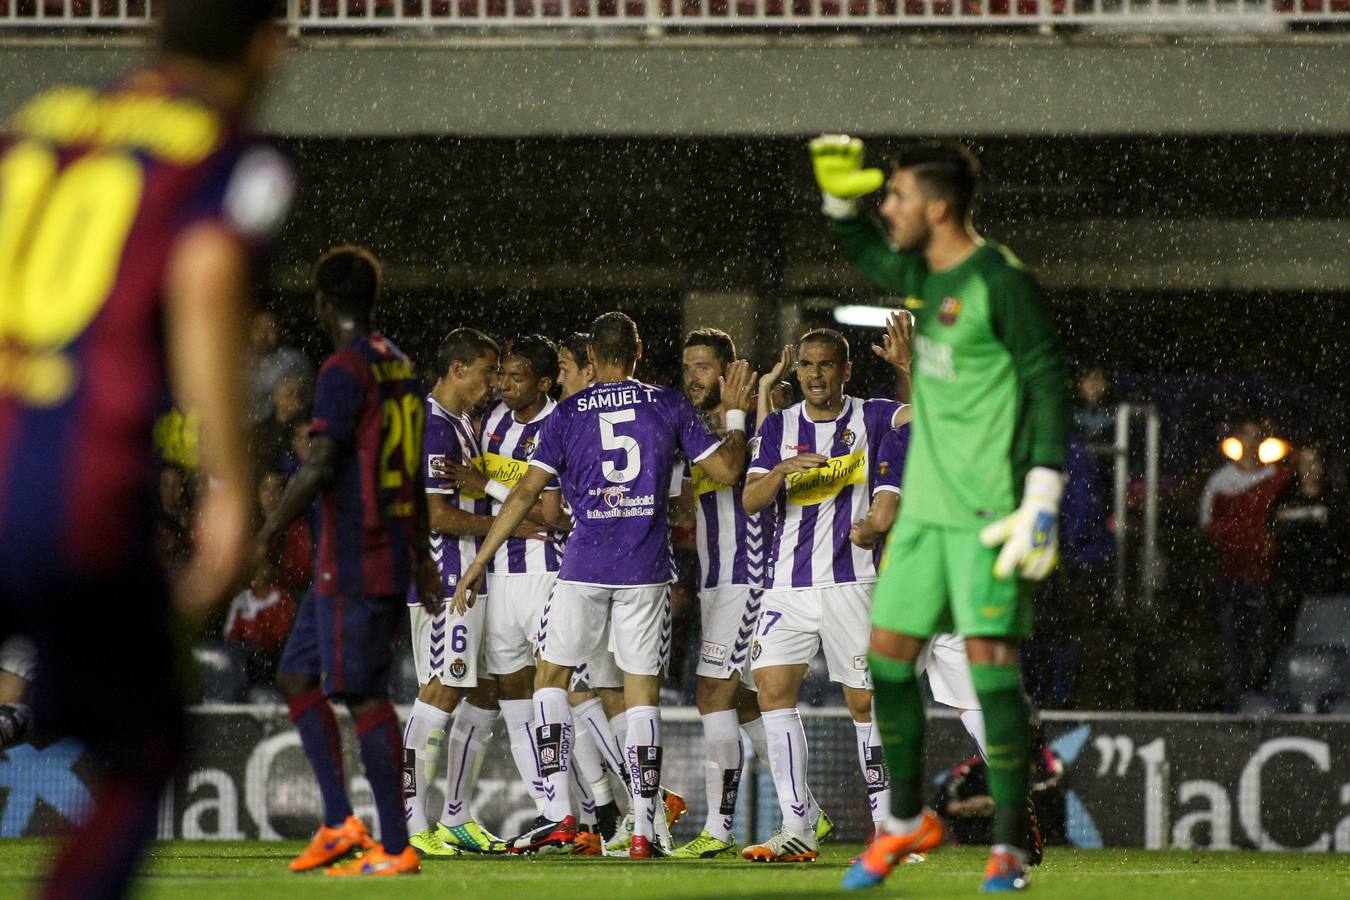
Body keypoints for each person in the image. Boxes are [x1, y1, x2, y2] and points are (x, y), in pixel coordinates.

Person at [0, 2, 289, 894]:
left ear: (145, 35)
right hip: (67, 484)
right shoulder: (228, 152)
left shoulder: (39, 126)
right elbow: (204, 273)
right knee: (145, 736)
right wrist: (231, 492)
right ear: (268, 47)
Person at [808, 136, 1070, 893]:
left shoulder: (1001, 281)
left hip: (987, 513)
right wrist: (836, 200)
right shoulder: (924, 273)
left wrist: (1044, 496)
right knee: (885, 662)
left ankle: (1010, 849)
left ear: (940, 206)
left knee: (991, 673)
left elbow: (1048, 384)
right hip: (920, 515)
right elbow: (864, 248)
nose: (885, 206)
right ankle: (906, 821)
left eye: (897, 195)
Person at [452, 312, 754, 858]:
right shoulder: (666, 404)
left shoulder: (566, 414)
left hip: (583, 565)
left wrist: (479, 562)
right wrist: (735, 418)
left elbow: (524, 495)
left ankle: (560, 812)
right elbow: (730, 471)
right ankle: (643, 828)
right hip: (646, 569)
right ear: (638, 351)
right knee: (640, 695)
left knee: (550, 679)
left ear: (591, 357)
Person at [261, 246, 438, 877]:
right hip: (368, 551)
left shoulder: (343, 369)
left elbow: (319, 463)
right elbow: (411, 472)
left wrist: (267, 531)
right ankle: (339, 822)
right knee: (296, 674)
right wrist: (422, 559)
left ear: (324, 301)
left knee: (362, 694)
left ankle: (396, 846)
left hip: (359, 552)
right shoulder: (400, 366)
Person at [739, 324, 912, 863]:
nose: (815, 374)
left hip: (851, 581)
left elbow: (931, 420)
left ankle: (889, 828)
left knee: (865, 702)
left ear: (845, 371)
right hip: (786, 585)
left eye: (826, 365)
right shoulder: (779, 428)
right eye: (807, 365)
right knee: (771, 692)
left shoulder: (875, 414)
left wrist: (908, 367)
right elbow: (749, 499)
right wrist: (784, 470)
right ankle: (797, 825)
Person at [671, 328, 831, 860]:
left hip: (749, 573)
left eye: (704, 367)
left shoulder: (763, 418)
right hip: (715, 578)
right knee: (739, 700)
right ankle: (807, 809)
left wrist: (759, 397)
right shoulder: (693, 429)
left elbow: (753, 463)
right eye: (687, 366)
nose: (693, 376)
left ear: (730, 372)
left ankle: (720, 829)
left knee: (711, 694)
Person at [399, 327, 541, 857]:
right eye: (486, 373)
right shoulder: (435, 426)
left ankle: (455, 817)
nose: (493, 383)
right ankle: (410, 823)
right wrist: (512, 524)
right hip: (445, 578)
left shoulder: (460, 423)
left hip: (469, 577)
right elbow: (436, 514)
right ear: (458, 369)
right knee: (442, 688)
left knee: (478, 691)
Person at [1199, 418, 1294, 710]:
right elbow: (1207, 525)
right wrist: (1235, 540)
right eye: (1246, 435)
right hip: (1232, 577)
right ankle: (1236, 708)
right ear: (1239, 439)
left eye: (1257, 436)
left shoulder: (1279, 479)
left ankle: (1265, 702)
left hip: (1266, 578)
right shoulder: (1220, 481)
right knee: (1233, 646)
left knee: (1266, 644)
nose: (1251, 442)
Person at [249, 310, 312, 424]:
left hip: (279, 428)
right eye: (258, 329)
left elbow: (300, 400)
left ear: (281, 331)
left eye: (270, 329)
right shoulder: (238, 362)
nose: (263, 335)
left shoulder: (293, 360)